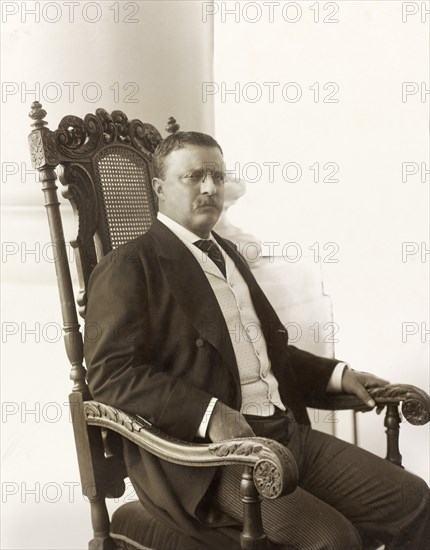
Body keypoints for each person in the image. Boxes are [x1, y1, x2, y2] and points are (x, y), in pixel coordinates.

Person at [84, 132, 429, 550]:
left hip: (284, 434)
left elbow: (271, 355)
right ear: (159, 188)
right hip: (206, 462)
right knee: (334, 540)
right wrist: (210, 414)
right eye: (193, 176)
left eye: (216, 175)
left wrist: (340, 375)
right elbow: (112, 375)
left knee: (412, 500)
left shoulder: (227, 253)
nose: (210, 187)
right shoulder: (128, 264)